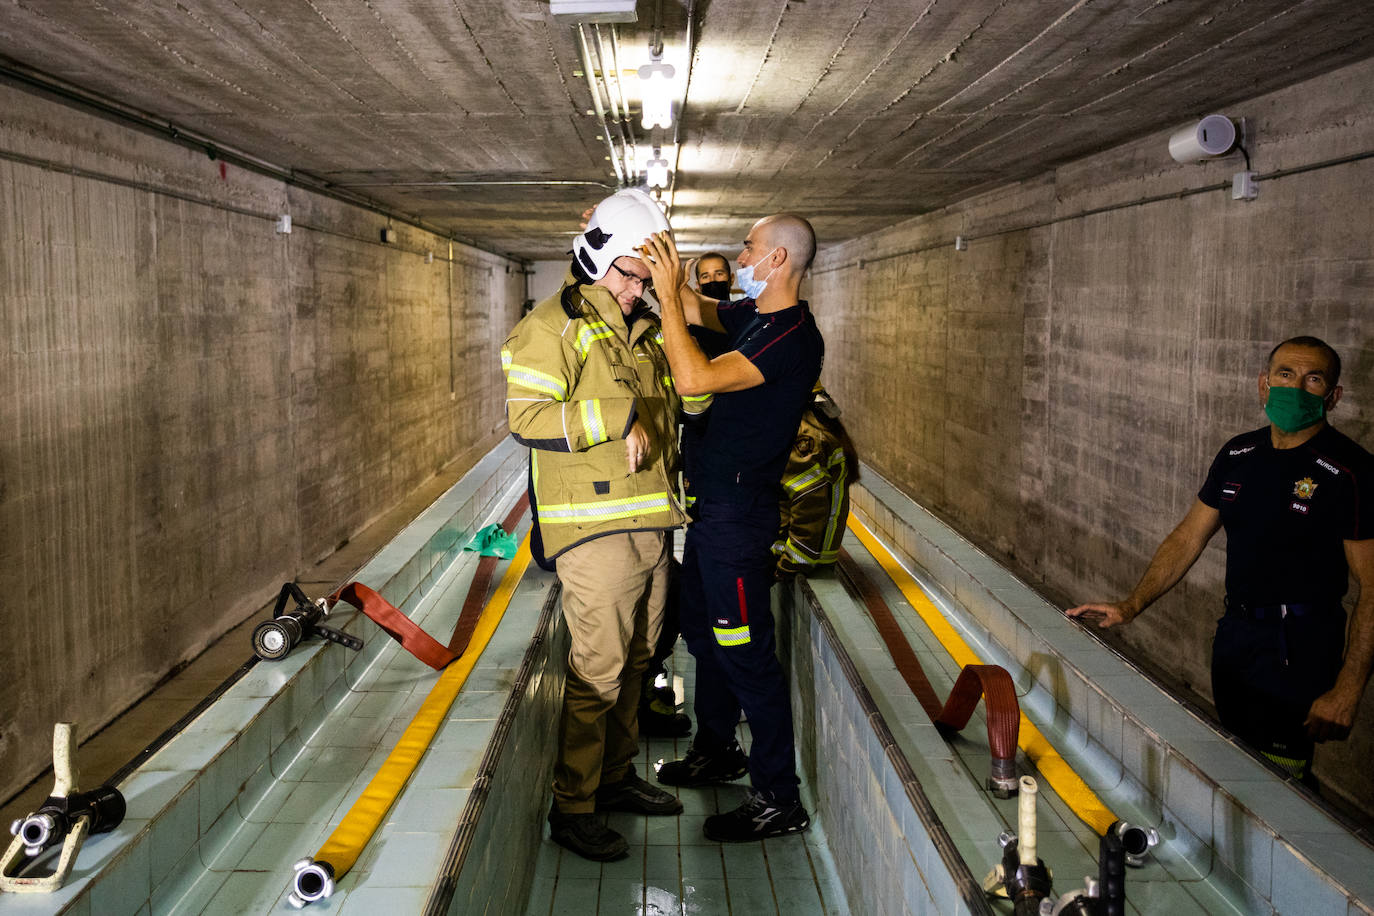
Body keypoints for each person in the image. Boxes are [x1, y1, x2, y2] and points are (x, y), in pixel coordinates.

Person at [502, 189, 707, 861]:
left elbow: (688, 407)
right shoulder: (553, 325)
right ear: (593, 259)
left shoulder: (645, 329)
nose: (635, 288)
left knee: (639, 663)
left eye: (645, 278)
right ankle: (575, 806)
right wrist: (609, 419)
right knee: (600, 670)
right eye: (627, 274)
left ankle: (616, 778)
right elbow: (526, 419)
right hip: (594, 530)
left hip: (651, 523)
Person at [1067, 336, 1374, 781]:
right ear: (1264, 384)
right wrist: (1131, 604)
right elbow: (1188, 537)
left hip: (1299, 649)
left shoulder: (1353, 472)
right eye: (1285, 374)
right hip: (1235, 637)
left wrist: (1347, 689)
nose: (1296, 387)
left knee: (1278, 780)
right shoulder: (1239, 453)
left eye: (1313, 379)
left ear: (1333, 396)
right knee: (1231, 764)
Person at [639, 215, 825, 842]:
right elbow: (696, 307)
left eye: (748, 247)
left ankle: (779, 798)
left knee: (747, 656)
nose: (739, 255)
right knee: (705, 635)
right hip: (712, 510)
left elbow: (693, 377)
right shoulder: (757, 317)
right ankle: (717, 748)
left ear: (776, 259)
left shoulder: (790, 336)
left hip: (739, 520)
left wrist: (666, 294)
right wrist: (651, 251)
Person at [774, 384, 858, 578]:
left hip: (810, 560)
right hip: (810, 553)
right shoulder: (813, 421)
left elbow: (808, 508)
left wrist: (787, 566)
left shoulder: (804, 435)